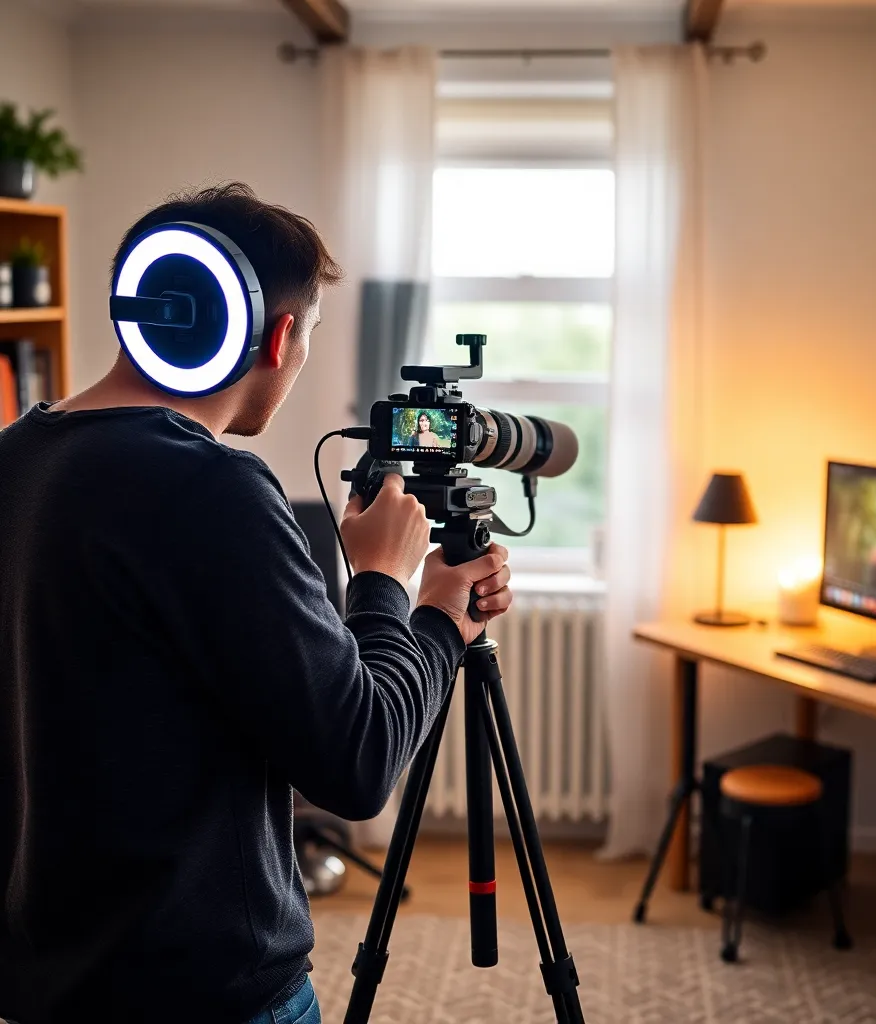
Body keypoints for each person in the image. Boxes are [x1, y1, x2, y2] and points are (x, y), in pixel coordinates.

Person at [0, 183, 512, 1024]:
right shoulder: (210, 486)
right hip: (200, 993)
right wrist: (407, 593)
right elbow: (358, 761)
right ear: (278, 335)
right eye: (308, 335)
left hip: (41, 984)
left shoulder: (16, 457)